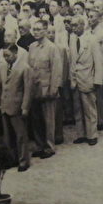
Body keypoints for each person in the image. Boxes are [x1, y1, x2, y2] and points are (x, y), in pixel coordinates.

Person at [28, 20, 62, 159]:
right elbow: (29, 68)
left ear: (45, 30)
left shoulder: (52, 48)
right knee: (36, 119)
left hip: (47, 89)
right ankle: (39, 145)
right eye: (34, 29)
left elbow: (56, 70)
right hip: (34, 89)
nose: (35, 32)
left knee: (48, 120)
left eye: (39, 29)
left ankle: (49, 147)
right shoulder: (32, 47)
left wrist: (54, 89)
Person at [0, 44, 32, 171]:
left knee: (20, 135)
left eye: (8, 55)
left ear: (16, 54)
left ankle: (24, 161)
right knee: (7, 136)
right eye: (4, 56)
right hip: (4, 105)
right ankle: (12, 159)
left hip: (17, 106)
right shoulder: (2, 67)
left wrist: (25, 107)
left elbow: (28, 90)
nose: (6, 58)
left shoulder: (25, 68)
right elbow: (0, 87)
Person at [69, 15, 103, 145]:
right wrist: (71, 78)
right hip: (75, 80)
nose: (73, 28)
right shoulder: (72, 39)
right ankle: (81, 134)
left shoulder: (92, 39)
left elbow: (98, 61)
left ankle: (92, 135)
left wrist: (97, 81)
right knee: (77, 109)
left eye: (75, 25)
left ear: (82, 25)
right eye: (72, 25)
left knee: (89, 109)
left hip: (88, 78)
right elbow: (71, 60)